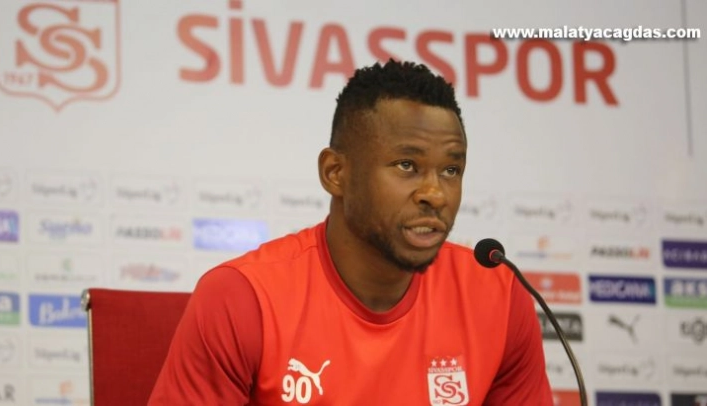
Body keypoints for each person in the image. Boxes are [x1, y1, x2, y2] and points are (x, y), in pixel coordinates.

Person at [148, 59, 553, 405]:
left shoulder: (499, 296)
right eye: (407, 165)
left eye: (451, 170)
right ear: (335, 173)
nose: (435, 194)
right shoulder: (243, 298)